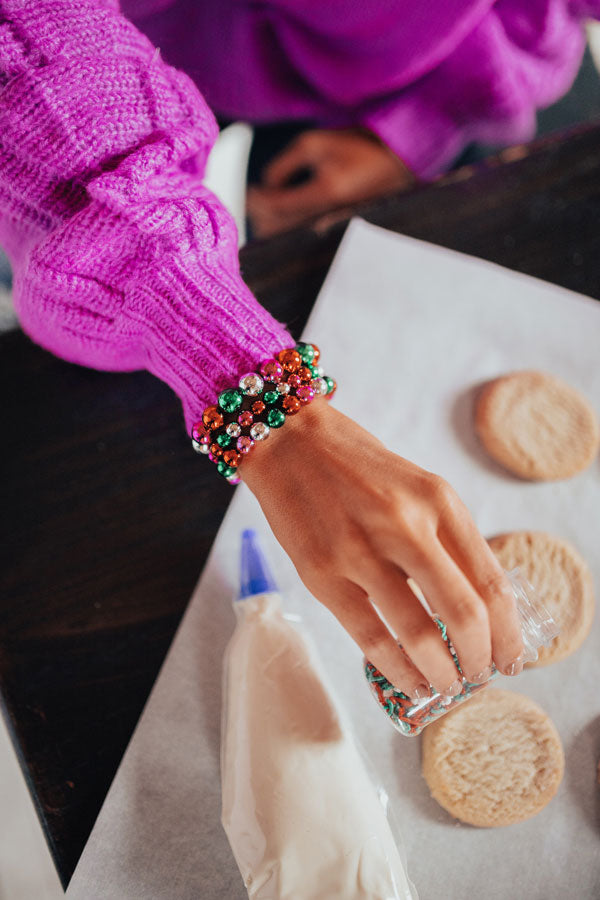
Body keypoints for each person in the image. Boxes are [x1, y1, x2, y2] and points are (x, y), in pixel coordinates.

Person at [0, 0, 596, 700]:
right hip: (114, 65)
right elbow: (60, 148)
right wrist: (267, 406)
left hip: (444, 61)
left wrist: (427, 120)